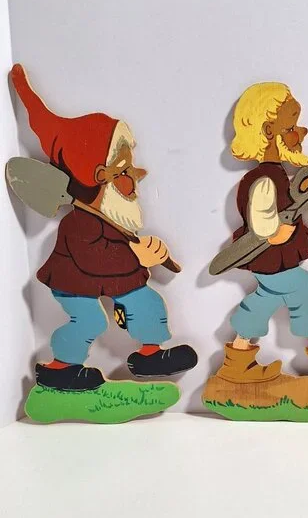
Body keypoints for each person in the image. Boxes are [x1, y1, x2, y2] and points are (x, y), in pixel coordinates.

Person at [11, 64, 197, 391]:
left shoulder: (115, 216)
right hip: (74, 282)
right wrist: (137, 256)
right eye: (123, 170)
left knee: (146, 302)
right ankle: (61, 368)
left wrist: (145, 252)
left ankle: (150, 355)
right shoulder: (78, 222)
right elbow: (94, 260)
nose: (135, 178)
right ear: (97, 177)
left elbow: (116, 253)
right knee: (90, 320)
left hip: (114, 276)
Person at [215, 82, 308, 383]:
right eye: (291, 127)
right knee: (301, 284)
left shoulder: (276, 174)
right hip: (271, 259)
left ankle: (237, 363)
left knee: (263, 301)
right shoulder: (264, 178)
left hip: (272, 262)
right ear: (269, 131)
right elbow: (261, 224)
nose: (301, 133)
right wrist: (276, 231)